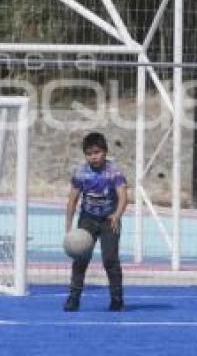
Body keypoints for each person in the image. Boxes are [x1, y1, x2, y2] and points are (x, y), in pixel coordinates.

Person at [63, 132, 127, 312]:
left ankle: (117, 298)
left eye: (97, 152)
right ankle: (73, 298)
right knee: (80, 259)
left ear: (105, 152)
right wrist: (69, 226)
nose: (94, 157)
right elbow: (72, 199)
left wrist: (117, 215)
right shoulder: (81, 172)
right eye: (89, 154)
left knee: (110, 260)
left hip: (109, 220)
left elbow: (123, 196)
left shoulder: (114, 171)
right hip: (88, 219)